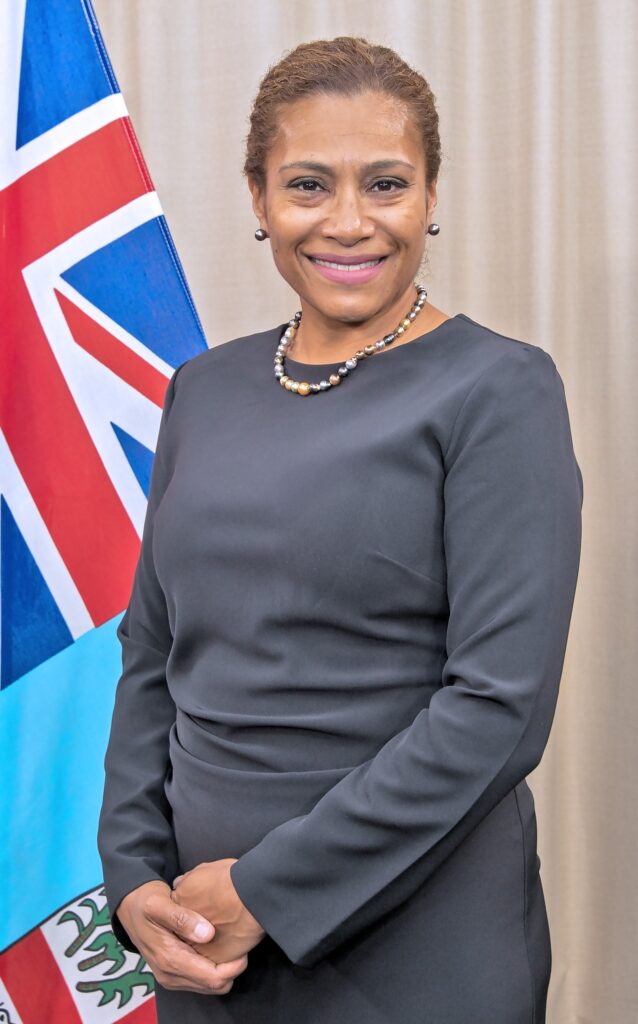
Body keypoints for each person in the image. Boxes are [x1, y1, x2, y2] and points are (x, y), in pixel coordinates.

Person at [97, 35, 583, 1024]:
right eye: (308, 184)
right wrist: (135, 880)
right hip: (201, 950)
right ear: (258, 198)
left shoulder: (499, 390)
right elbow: (152, 653)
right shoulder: (202, 388)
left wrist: (264, 892)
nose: (349, 221)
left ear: (431, 196)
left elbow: (497, 707)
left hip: (414, 952)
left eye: (386, 184)